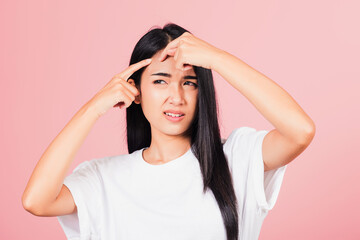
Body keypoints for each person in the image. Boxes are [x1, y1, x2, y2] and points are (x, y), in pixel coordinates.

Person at [22, 23, 315, 240]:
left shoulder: (235, 158)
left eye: (190, 82)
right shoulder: (103, 178)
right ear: (135, 91)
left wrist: (217, 59)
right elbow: (37, 200)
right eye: (160, 81)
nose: (177, 96)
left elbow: (300, 131)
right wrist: (94, 107)